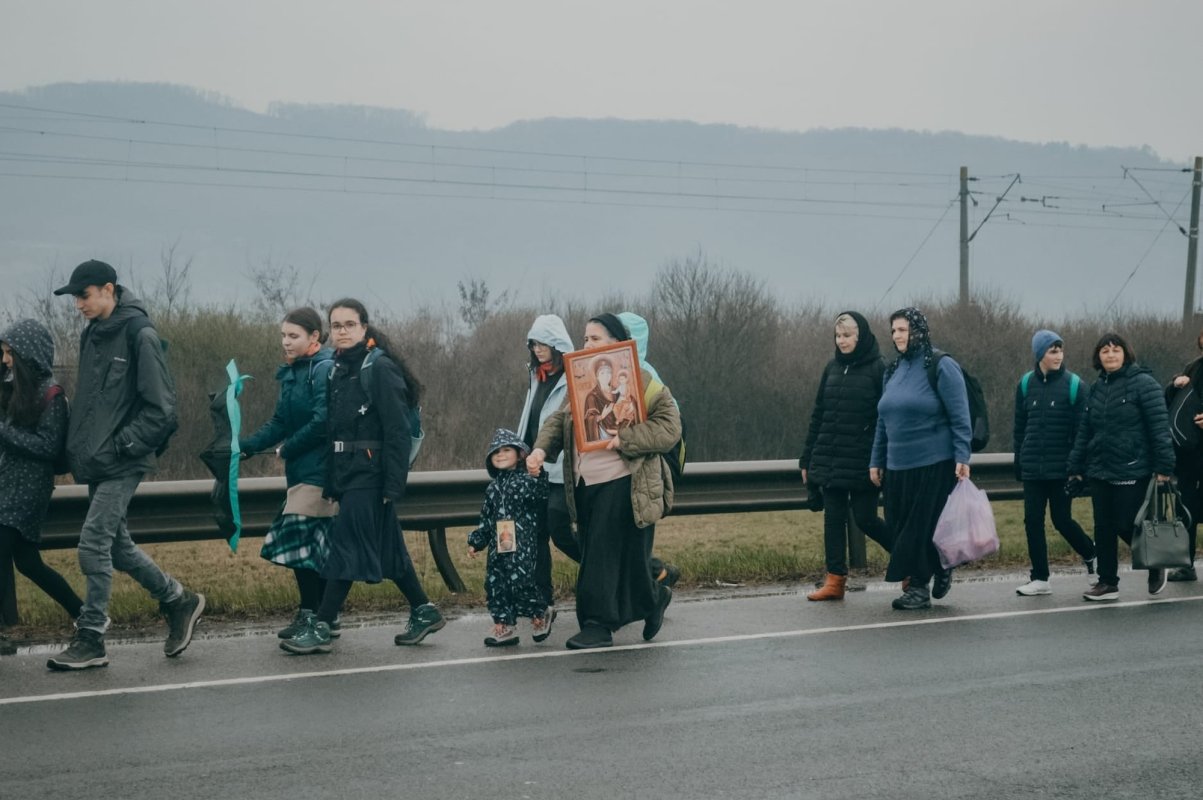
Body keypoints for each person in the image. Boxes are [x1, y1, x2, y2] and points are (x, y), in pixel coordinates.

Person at [46, 260, 204, 670]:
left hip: (124, 459)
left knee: (92, 542)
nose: (77, 304)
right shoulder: (92, 335)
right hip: (98, 460)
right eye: (75, 297)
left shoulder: (140, 333)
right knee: (117, 546)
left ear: (108, 290)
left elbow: (163, 410)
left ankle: (92, 635)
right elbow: (92, 405)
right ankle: (178, 599)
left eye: (83, 295)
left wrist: (121, 446)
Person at [281, 298, 445, 654]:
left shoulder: (379, 368)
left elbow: (398, 431)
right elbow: (333, 431)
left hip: (372, 476)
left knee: (344, 547)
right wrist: (332, 481)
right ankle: (424, 610)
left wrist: (393, 484)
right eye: (336, 325)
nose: (341, 331)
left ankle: (322, 625)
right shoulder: (338, 369)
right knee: (389, 549)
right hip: (348, 475)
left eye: (348, 325)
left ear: (364, 327)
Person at [528, 313, 680, 649]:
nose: (587, 345)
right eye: (585, 339)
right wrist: (540, 451)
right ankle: (654, 599)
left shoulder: (643, 380)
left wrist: (625, 440)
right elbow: (559, 422)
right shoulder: (581, 382)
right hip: (584, 483)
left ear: (617, 341)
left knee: (599, 555)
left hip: (622, 480)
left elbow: (670, 428)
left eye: (595, 339)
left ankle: (597, 625)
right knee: (621, 559)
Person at [239, 308, 338, 641]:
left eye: (293, 335)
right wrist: (248, 446)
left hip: (321, 472)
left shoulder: (323, 370)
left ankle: (313, 615)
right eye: (283, 335)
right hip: (300, 474)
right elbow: (279, 422)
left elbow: (324, 421)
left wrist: (289, 447)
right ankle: (325, 616)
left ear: (315, 338)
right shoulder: (292, 373)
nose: (286, 341)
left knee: (301, 545)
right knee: (314, 548)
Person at [870, 307, 971, 610]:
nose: (897, 336)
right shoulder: (894, 370)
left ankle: (917, 588)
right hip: (897, 466)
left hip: (933, 463)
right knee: (900, 527)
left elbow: (960, 414)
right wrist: (876, 459)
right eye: (894, 331)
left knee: (918, 529)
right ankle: (942, 565)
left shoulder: (941, 365)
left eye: (903, 330)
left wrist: (962, 455)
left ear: (919, 331)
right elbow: (882, 420)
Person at [1068, 333, 1174, 601]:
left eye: (1116, 350)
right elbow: (1085, 431)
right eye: (1105, 351)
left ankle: (1155, 561)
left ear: (1126, 354)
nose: (1111, 355)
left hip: (1133, 468)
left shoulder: (1144, 385)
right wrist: (1076, 466)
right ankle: (1107, 582)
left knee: (1125, 522)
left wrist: (1164, 467)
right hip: (1100, 468)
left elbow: (1159, 429)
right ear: (1098, 357)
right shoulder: (1097, 388)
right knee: (1103, 526)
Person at [800, 311, 892, 601]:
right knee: (833, 519)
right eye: (838, 336)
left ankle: (911, 565)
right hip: (831, 457)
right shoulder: (832, 368)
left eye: (848, 336)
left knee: (865, 519)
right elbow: (819, 414)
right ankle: (835, 580)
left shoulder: (879, 368)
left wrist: (880, 459)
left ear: (860, 336)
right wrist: (807, 458)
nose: (842, 341)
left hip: (865, 460)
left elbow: (886, 417)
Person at [0, 319, 84, 628]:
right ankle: (85, 614)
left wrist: (2, 433)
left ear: (27, 353)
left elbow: (49, 447)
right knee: (28, 563)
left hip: (27, 492)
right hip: (9, 487)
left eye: (10, 353)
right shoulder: (20, 387)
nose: (5, 359)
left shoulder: (52, 394)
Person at [1012, 330, 1096, 596]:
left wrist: (1077, 469)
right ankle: (1040, 578)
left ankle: (1091, 553)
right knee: (1032, 521)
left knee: (1061, 520)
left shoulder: (1075, 386)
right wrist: (1019, 459)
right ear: (1040, 354)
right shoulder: (1025, 384)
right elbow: (1019, 427)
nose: (1058, 355)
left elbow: (1083, 431)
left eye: (1060, 349)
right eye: (1052, 350)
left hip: (1062, 469)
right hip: (1033, 468)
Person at [515, 315, 579, 618]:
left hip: (561, 469)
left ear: (558, 345)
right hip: (533, 468)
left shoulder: (574, 378)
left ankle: (621, 571)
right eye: (534, 343)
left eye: (544, 343)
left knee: (560, 531)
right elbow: (531, 420)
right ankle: (542, 602)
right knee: (536, 534)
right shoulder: (536, 375)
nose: (538, 349)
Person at [467, 428, 553, 646]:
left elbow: (541, 494)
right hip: (499, 545)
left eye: (506, 450)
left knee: (522, 581)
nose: (501, 455)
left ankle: (540, 613)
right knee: (496, 583)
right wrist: (476, 542)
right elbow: (486, 519)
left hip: (523, 543)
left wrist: (538, 475)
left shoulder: (526, 481)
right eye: (496, 452)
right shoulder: (492, 489)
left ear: (519, 455)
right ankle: (504, 625)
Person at [1164, 329, 1203, 582]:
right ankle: (1186, 564)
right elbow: (1174, 403)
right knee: (1186, 508)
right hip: (1191, 454)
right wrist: (1173, 384)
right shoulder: (1193, 367)